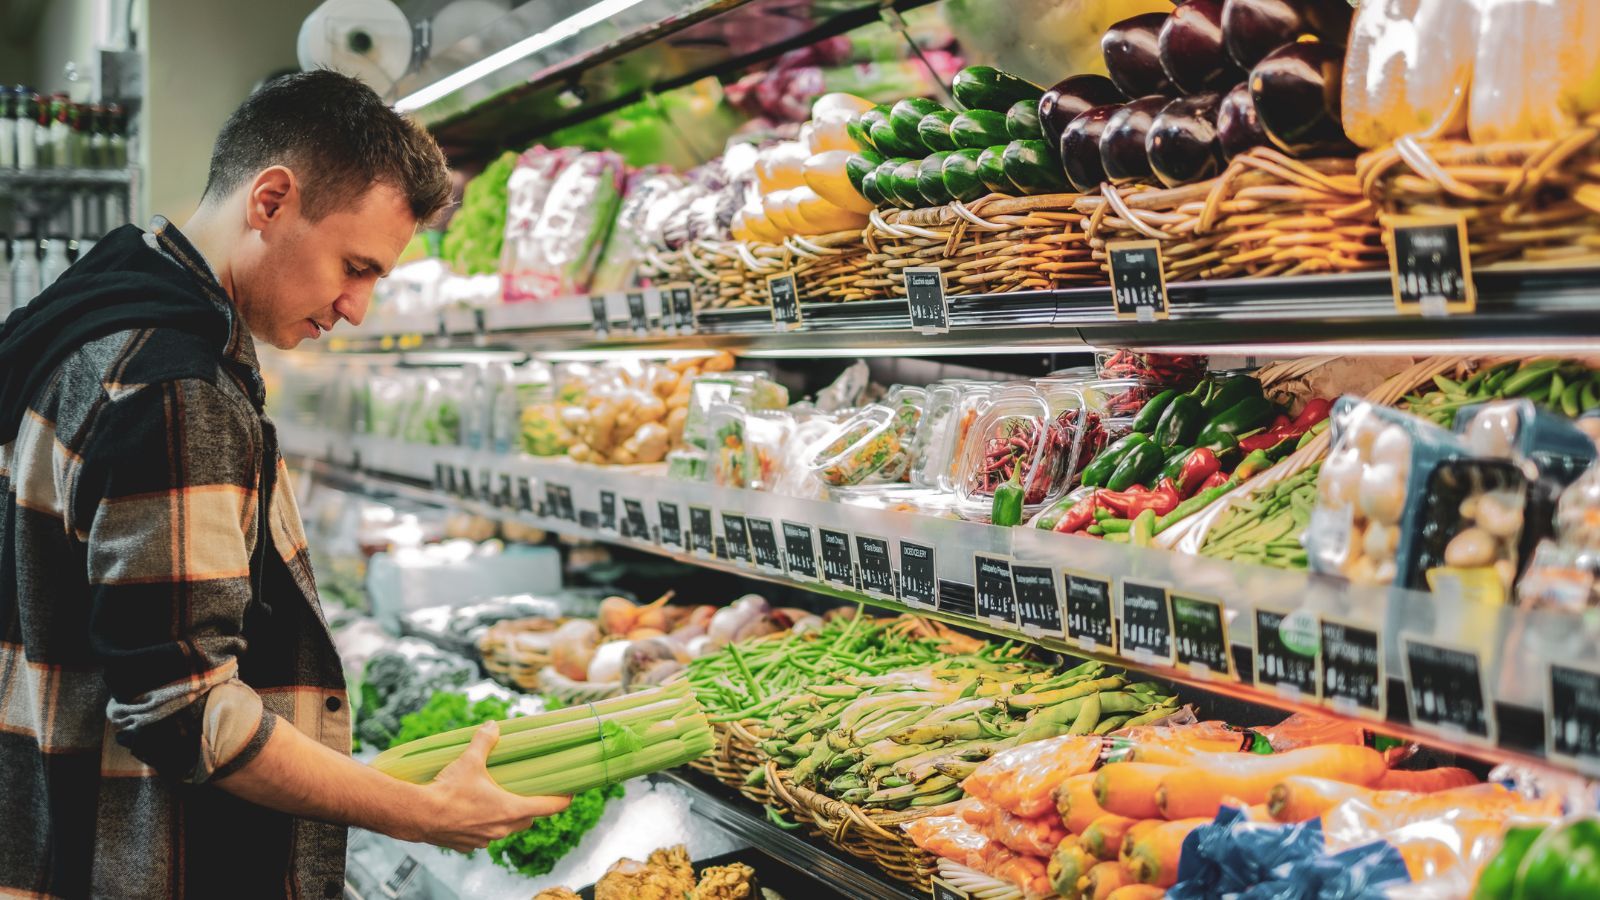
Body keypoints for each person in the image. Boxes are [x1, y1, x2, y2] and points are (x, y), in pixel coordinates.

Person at [0, 70, 568, 900]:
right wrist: (420, 809)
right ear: (270, 200)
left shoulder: (95, 317)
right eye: (355, 265)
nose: (357, 307)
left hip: (48, 832)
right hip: (134, 862)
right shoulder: (170, 387)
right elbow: (180, 710)